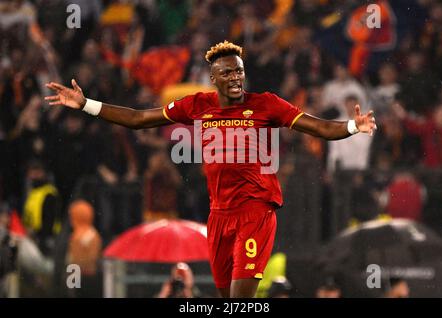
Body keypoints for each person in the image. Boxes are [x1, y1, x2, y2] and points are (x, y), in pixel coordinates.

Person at [44, 41, 377, 298]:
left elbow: (317, 127)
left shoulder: (266, 104)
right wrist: (85, 104)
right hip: (219, 216)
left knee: (239, 299)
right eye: (227, 73)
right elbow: (138, 119)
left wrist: (352, 126)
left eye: (239, 71)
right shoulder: (197, 105)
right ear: (213, 77)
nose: (235, 78)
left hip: (255, 212)